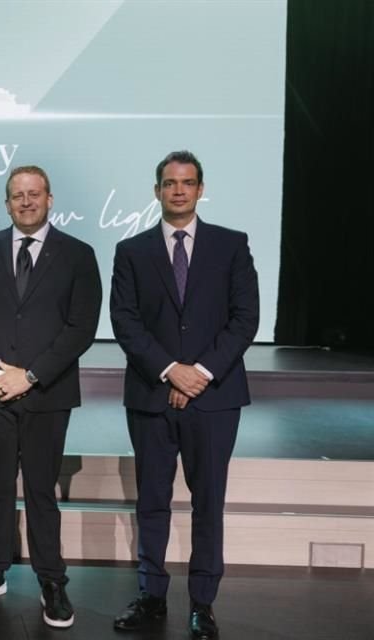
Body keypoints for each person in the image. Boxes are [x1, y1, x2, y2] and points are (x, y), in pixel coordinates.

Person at [109, 150, 258, 640]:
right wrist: (173, 372)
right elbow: (126, 324)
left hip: (214, 399)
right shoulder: (131, 251)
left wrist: (202, 373)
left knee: (207, 501)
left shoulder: (232, 245)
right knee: (152, 499)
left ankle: (202, 602)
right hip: (152, 396)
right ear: (157, 191)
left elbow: (244, 319)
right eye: (169, 183)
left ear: (200, 188)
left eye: (187, 182)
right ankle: (152, 595)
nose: (178, 190)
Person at [0, 166, 102, 628]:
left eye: (34, 194)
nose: (27, 201)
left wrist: (31, 376)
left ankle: (51, 580)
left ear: (50, 199)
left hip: (48, 392)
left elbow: (82, 327)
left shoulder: (78, 254)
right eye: (18, 195)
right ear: (7, 202)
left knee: (40, 489)